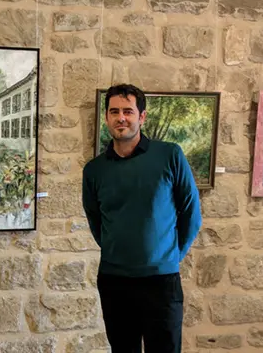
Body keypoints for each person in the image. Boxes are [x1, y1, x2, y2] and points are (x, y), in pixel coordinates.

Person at [82, 84, 202, 353]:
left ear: (142, 117)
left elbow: (191, 214)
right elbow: (95, 221)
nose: (121, 118)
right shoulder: (94, 170)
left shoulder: (170, 155)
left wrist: (170, 256)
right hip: (114, 281)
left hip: (161, 281)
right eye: (114, 112)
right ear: (106, 118)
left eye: (128, 111)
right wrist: (118, 251)